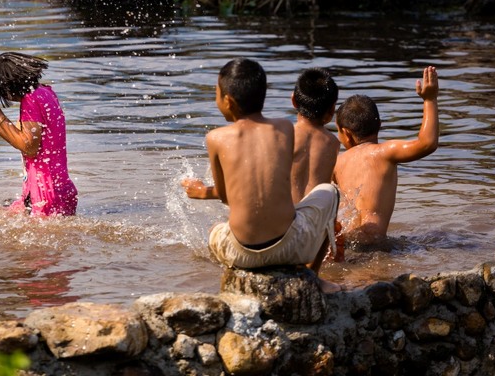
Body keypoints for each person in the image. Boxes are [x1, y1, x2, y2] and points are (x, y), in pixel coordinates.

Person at [181, 58, 339, 289]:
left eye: (216, 93)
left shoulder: (215, 138)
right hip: (292, 247)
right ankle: (312, 278)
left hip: (241, 253)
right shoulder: (284, 128)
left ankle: (236, 280)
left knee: (215, 230)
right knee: (331, 192)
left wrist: (200, 191)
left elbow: (226, 196)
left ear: (228, 101)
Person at [0, 52, 78, 217]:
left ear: (6, 86)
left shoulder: (31, 100)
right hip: (59, 188)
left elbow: (28, 147)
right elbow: (19, 137)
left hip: (44, 194)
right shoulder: (46, 92)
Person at [332, 66, 439, 249]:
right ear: (379, 125)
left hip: (347, 242)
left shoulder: (336, 163)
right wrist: (430, 99)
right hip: (375, 244)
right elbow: (427, 143)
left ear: (346, 134)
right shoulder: (385, 152)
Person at [291, 68, 340, 203]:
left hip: (286, 216)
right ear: (332, 109)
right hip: (316, 219)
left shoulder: (284, 136)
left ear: (293, 100)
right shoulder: (333, 142)